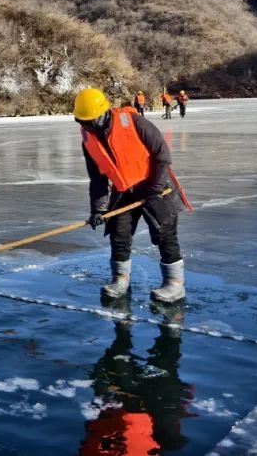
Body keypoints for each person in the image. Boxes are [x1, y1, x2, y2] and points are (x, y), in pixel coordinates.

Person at [73, 88, 191, 303]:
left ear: (103, 114)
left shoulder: (134, 122)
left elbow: (162, 156)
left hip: (156, 186)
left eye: (90, 121)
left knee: (165, 235)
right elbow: (97, 178)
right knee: (119, 235)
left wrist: (154, 191)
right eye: (81, 121)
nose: (86, 126)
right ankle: (120, 280)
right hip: (123, 191)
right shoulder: (88, 140)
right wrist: (98, 209)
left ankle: (174, 285)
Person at [79, 299, 191, 454]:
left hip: (119, 406)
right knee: (165, 364)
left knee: (119, 360)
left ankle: (124, 321)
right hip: (151, 412)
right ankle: (171, 325)